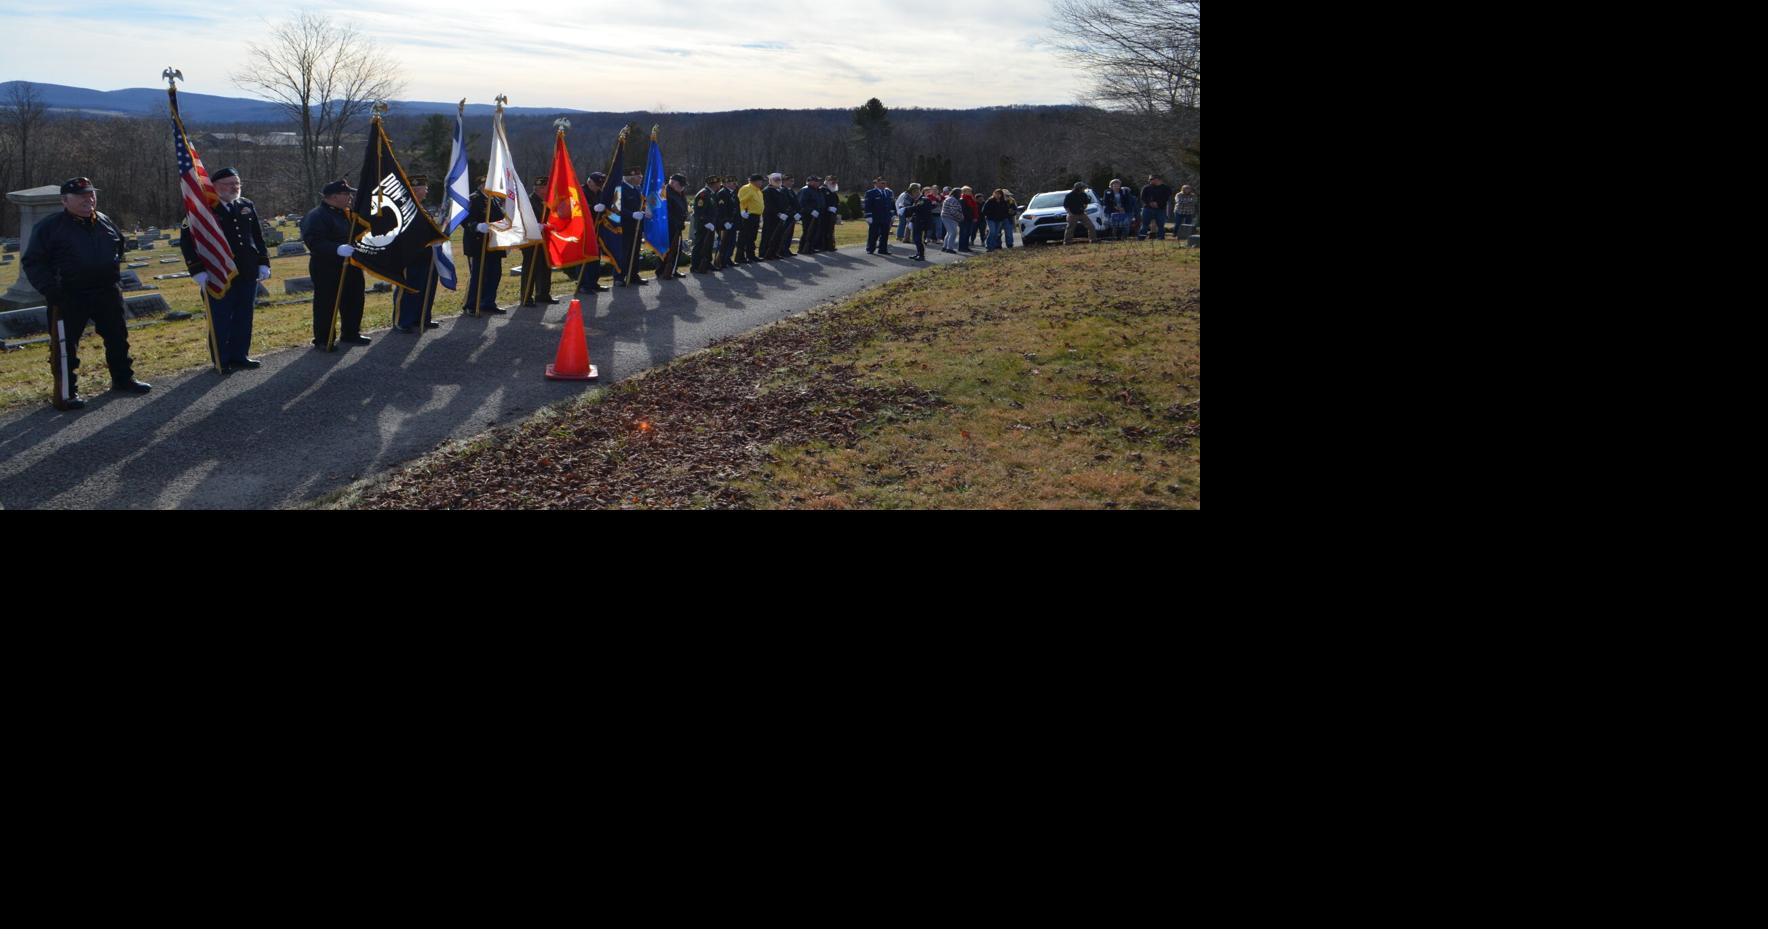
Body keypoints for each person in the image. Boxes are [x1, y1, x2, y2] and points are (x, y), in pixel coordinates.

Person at [22, 176, 152, 410]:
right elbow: (33, 262)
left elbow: (119, 245)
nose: (88, 199)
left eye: (91, 194)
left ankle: (123, 379)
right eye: (81, 196)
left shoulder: (104, 220)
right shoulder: (50, 227)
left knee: (117, 338)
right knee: (65, 346)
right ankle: (66, 392)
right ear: (64, 201)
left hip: (107, 292)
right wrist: (50, 289)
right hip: (69, 295)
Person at [181, 166, 270, 370]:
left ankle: (240, 355)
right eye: (229, 184)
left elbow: (257, 236)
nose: (235, 187)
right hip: (217, 273)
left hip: (247, 271)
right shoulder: (202, 208)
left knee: (244, 316)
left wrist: (263, 262)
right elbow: (187, 242)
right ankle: (221, 359)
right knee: (220, 318)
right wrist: (196, 270)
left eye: (237, 183)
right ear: (215, 186)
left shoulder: (246, 205)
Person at [302, 178, 374, 344]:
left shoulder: (347, 214)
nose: (350, 197)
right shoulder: (316, 215)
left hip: (351, 264)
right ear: (334, 196)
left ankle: (351, 333)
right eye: (346, 194)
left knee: (354, 300)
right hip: (327, 266)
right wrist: (336, 248)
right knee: (327, 303)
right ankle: (323, 339)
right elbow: (314, 242)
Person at [391, 175, 442, 333]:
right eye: (424, 188)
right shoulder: (403, 208)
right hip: (409, 257)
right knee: (408, 289)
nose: (427, 191)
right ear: (415, 189)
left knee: (426, 287)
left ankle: (421, 318)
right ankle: (402, 321)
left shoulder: (422, 208)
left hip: (426, 256)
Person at [461, 177, 507, 312]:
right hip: (478, 243)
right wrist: (477, 226)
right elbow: (465, 219)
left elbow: (500, 217)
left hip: (494, 243)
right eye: (486, 184)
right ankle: (471, 304)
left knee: (494, 274)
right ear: (481, 185)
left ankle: (488, 302)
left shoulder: (495, 199)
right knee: (478, 276)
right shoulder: (473, 199)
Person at [520, 174, 555, 306]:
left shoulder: (547, 201)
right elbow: (524, 219)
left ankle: (543, 294)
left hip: (545, 239)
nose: (548, 189)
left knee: (545, 267)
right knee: (530, 268)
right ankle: (526, 297)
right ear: (538, 188)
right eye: (545, 187)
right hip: (531, 240)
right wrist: (535, 226)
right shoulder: (528, 201)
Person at [576, 171, 611, 293]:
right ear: (589, 182)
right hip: (584, 229)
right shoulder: (580, 192)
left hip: (597, 229)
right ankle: (583, 284)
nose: (598, 187)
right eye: (596, 185)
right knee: (585, 257)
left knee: (596, 256)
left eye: (600, 185)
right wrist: (592, 208)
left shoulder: (600, 193)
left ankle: (593, 282)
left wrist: (604, 209)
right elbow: (577, 209)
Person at [614, 165, 649, 286]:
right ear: (630, 177)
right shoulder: (620, 189)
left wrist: (644, 212)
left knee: (635, 252)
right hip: (624, 226)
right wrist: (631, 214)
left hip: (636, 226)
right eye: (639, 177)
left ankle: (633, 275)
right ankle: (619, 277)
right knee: (623, 253)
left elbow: (641, 204)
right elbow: (616, 208)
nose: (641, 178)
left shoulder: (638, 189)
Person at [657, 173, 690, 279]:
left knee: (677, 249)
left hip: (677, 226)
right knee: (666, 249)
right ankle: (661, 271)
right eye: (681, 184)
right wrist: (676, 223)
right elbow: (666, 212)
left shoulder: (679, 192)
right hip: (668, 226)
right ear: (673, 183)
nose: (682, 187)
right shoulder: (665, 193)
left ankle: (673, 269)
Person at [691, 174, 720, 274]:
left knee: (708, 244)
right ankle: (695, 266)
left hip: (710, 224)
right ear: (714, 184)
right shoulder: (703, 194)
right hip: (703, 225)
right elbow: (699, 212)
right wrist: (706, 222)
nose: (719, 185)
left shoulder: (711, 193)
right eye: (718, 183)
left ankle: (707, 263)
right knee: (700, 244)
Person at [863, 177, 896, 255]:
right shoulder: (870, 192)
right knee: (873, 233)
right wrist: (868, 216)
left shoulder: (889, 192)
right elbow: (867, 205)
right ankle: (870, 248)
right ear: (877, 183)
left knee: (885, 234)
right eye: (882, 183)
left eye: (885, 183)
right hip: (875, 217)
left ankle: (883, 249)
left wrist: (893, 214)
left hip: (886, 217)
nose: (883, 185)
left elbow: (892, 204)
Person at [761, 173, 790, 260]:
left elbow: (784, 203)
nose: (778, 181)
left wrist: (785, 212)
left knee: (778, 235)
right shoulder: (767, 191)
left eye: (779, 180)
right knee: (768, 235)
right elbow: (768, 205)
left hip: (780, 217)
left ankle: (774, 252)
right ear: (771, 181)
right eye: (776, 180)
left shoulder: (780, 190)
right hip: (770, 216)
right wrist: (778, 213)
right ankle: (765, 253)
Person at [738, 174, 766, 263]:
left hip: (756, 216)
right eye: (761, 181)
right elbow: (741, 201)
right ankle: (740, 257)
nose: (762, 183)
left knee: (752, 237)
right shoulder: (746, 188)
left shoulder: (758, 190)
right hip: (748, 215)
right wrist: (742, 211)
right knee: (745, 236)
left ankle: (751, 255)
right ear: (755, 181)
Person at [902, 183, 933, 261]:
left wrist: (905, 209)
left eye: (912, 193)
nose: (911, 195)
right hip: (917, 222)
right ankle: (918, 253)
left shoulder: (924, 199)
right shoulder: (917, 200)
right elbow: (915, 211)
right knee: (915, 239)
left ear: (916, 191)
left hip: (921, 222)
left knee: (918, 239)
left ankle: (921, 255)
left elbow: (917, 208)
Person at [717, 176, 742, 268]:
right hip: (725, 223)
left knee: (732, 242)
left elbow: (736, 208)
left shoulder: (733, 193)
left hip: (733, 222)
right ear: (725, 184)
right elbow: (721, 209)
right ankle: (721, 261)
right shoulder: (722, 193)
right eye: (731, 182)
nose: (734, 184)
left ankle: (728, 259)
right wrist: (725, 221)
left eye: (735, 182)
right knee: (724, 242)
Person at [1139, 173, 1173, 241]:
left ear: (1158, 179)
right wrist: (1150, 203)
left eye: (1152, 179)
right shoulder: (1146, 187)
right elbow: (1142, 197)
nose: (1150, 181)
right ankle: (1141, 238)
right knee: (1145, 224)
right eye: (1150, 179)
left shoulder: (1166, 188)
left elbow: (1166, 198)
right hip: (1148, 208)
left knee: (1160, 225)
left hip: (1160, 209)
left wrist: (1158, 203)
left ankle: (1160, 238)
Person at [798, 176, 824, 255]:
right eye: (816, 181)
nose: (818, 183)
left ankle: (810, 247)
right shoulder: (805, 190)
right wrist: (811, 211)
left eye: (818, 181)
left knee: (814, 232)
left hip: (816, 214)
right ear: (810, 182)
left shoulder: (817, 190)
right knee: (807, 231)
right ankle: (803, 248)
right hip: (808, 215)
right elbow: (802, 203)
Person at [779, 174, 801, 257]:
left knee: (789, 234)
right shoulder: (782, 190)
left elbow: (796, 203)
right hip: (786, 215)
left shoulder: (790, 190)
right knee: (784, 234)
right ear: (784, 181)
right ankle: (781, 250)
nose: (792, 183)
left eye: (793, 181)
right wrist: (793, 213)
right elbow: (785, 204)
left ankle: (787, 249)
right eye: (790, 181)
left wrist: (798, 212)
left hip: (792, 215)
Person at [940, 188, 965, 253]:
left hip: (946, 217)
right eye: (960, 193)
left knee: (949, 232)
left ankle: (944, 247)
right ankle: (949, 248)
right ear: (957, 193)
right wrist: (961, 217)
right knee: (953, 233)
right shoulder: (953, 200)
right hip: (949, 217)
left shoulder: (949, 198)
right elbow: (953, 211)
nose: (961, 195)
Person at [821, 175, 840, 251]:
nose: (834, 183)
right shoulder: (822, 189)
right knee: (824, 230)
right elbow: (821, 201)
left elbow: (836, 202)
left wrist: (836, 209)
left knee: (831, 231)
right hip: (824, 214)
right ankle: (823, 246)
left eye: (835, 182)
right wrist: (827, 208)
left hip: (832, 214)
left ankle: (830, 246)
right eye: (832, 181)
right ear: (827, 181)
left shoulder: (833, 192)